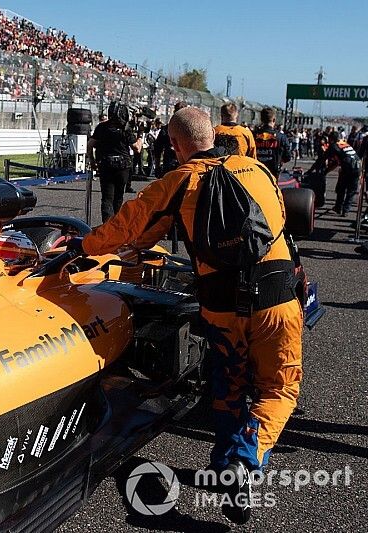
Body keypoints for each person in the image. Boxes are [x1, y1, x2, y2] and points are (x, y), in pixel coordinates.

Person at [75, 107, 302, 524]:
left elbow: (128, 228)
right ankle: (244, 463)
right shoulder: (259, 171)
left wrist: (84, 247)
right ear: (214, 133)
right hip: (277, 299)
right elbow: (284, 224)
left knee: (228, 389)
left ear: (177, 145)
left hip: (221, 306)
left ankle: (229, 464)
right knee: (278, 390)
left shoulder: (179, 180)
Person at [86, 101, 142, 222]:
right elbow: (137, 148)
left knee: (107, 198)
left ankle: (106, 226)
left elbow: (90, 144)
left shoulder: (102, 127)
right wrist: (140, 137)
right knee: (118, 197)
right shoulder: (126, 128)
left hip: (106, 165)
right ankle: (116, 225)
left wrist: (92, 160)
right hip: (123, 166)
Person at [310, 130, 361, 216]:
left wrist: (312, 170)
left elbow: (322, 159)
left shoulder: (334, 146)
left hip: (348, 167)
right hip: (357, 166)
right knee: (351, 191)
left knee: (341, 188)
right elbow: (336, 162)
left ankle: (339, 208)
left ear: (331, 139)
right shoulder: (344, 143)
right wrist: (326, 171)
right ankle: (345, 210)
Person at [152, 101, 188, 177]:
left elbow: (158, 149)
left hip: (185, 166)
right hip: (171, 165)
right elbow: (158, 149)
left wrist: (157, 167)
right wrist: (157, 167)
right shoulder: (167, 129)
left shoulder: (189, 129)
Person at [253, 107, 291, 177]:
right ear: (274, 120)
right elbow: (287, 157)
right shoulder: (281, 137)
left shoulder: (252, 135)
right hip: (273, 173)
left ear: (261, 119)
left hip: (256, 172)